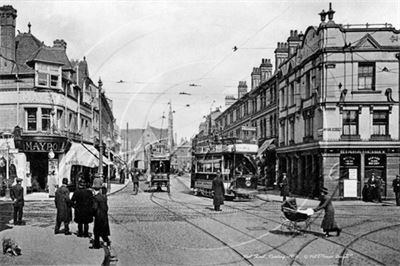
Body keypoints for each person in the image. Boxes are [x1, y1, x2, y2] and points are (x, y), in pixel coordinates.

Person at [91, 178, 111, 249]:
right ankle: (107, 241)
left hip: (98, 216)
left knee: (96, 232)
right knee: (103, 231)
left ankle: (96, 245)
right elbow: (106, 208)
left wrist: (93, 214)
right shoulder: (103, 197)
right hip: (104, 216)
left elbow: (94, 208)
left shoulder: (95, 198)